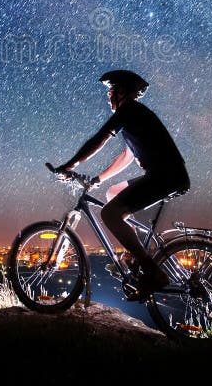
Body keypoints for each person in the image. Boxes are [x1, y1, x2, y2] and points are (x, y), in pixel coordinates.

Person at [52, 69, 190, 299]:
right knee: (113, 192)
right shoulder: (134, 116)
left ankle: (152, 271)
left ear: (122, 92)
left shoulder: (129, 110)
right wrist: (98, 179)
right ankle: (135, 256)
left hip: (165, 176)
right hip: (165, 175)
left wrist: (70, 165)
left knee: (109, 215)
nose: (108, 97)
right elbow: (126, 157)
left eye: (111, 91)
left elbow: (100, 138)